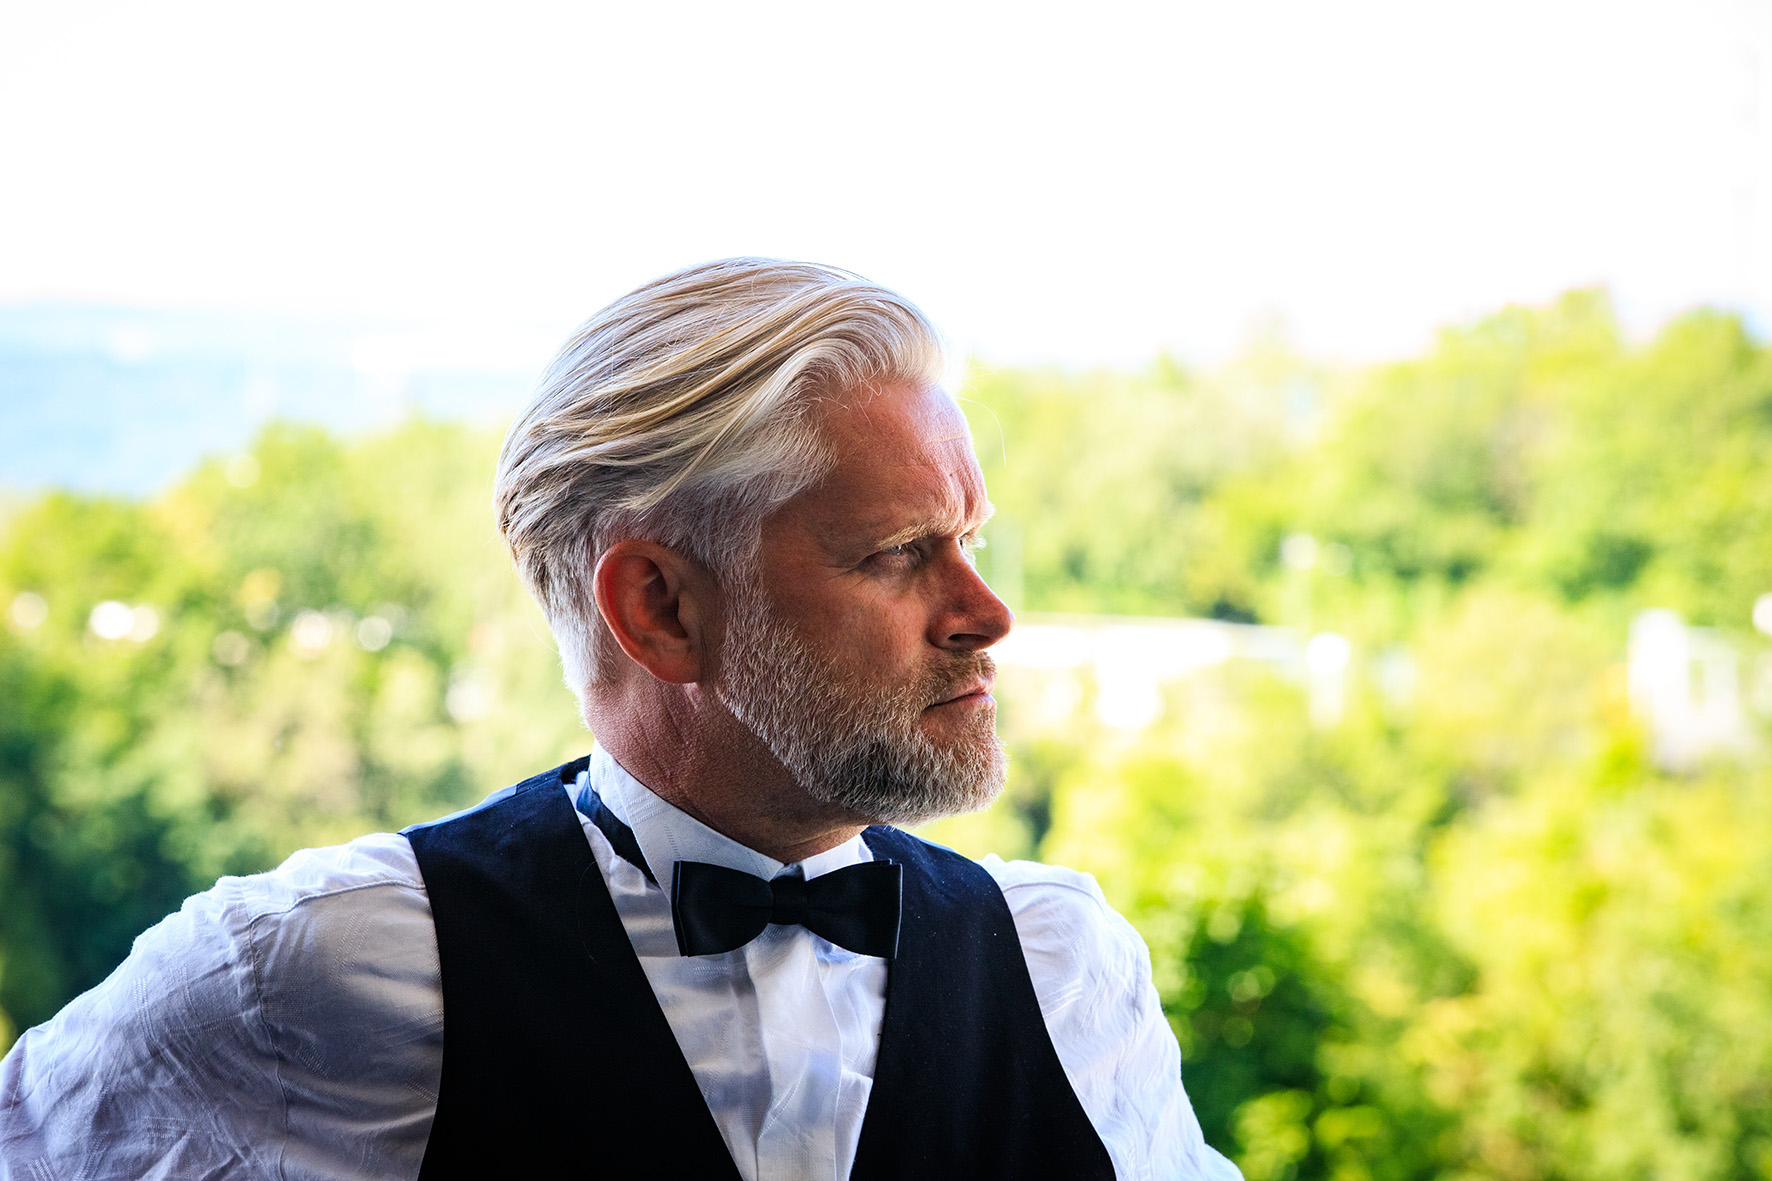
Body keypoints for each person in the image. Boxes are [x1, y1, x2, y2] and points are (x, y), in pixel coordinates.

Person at [0, 259, 1242, 1179]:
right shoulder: (317, 968)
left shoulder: (1064, 967)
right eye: (896, 553)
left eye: (968, 538)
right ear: (659, 607)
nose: (985, 612)